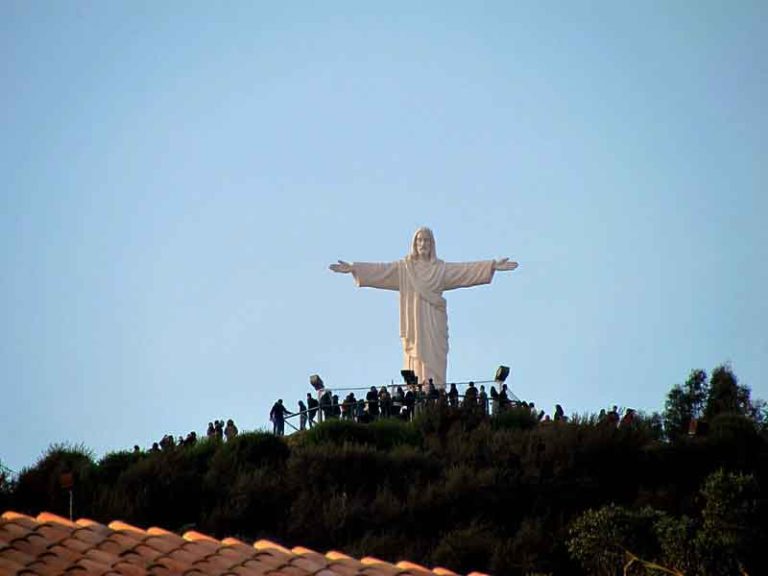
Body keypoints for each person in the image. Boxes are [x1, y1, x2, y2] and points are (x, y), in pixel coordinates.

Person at [330, 227, 518, 387]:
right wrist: (355, 268)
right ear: (414, 243)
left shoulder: (440, 269)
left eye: (427, 240)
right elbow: (382, 271)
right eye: (420, 240)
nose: (423, 244)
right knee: (416, 357)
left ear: (432, 244)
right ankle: (416, 391)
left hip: (435, 321)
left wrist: (491, 266)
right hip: (415, 322)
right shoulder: (405, 269)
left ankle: (437, 392)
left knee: (435, 358)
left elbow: (463, 271)